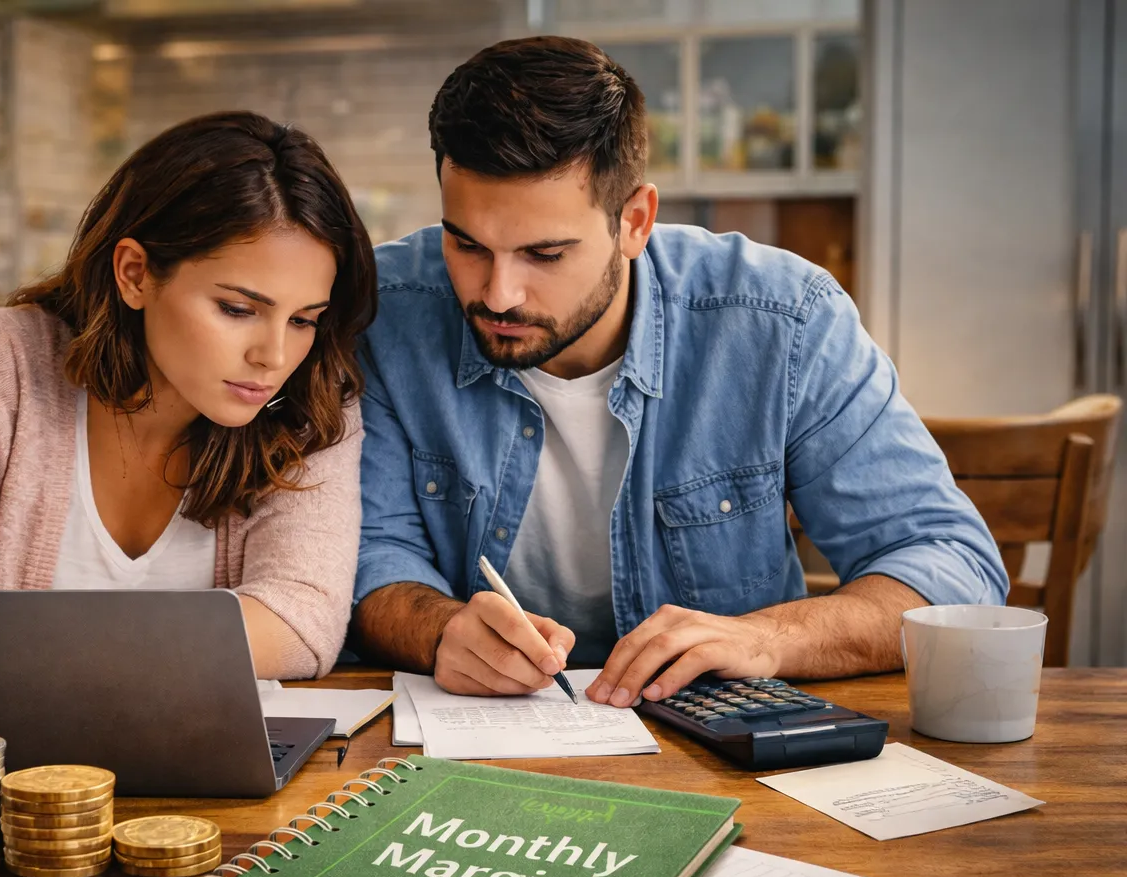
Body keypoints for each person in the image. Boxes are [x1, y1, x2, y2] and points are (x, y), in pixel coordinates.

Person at [349, 37, 1006, 707]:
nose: (498, 294)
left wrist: (768, 638)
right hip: (477, 739)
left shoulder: (781, 319)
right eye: (465, 244)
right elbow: (373, 553)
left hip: (725, 752)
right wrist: (438, 629)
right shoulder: (385, 313)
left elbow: (951, 563)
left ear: (635, 222)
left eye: (544, 254)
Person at [0, 111, 375, 683]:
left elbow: (304, 626)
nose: (275, 356)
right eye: (237, 309)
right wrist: (172, 649)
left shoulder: (312, 403)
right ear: (134, 274)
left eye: (305, 320)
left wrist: (17, 648)